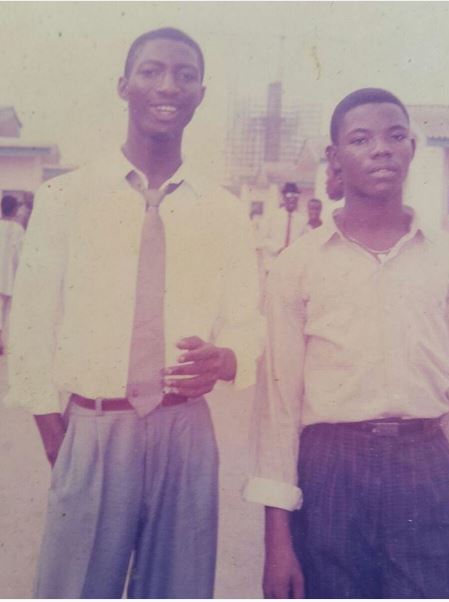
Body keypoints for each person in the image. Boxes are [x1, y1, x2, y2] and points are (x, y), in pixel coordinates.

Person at [7, 27, 261, 599]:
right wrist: (60, 436)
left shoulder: (222, 211)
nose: (168, 85)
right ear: (123, 86)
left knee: (180, 590)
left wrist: (226, 358)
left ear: (200, 93)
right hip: (95, 426)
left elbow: (246, 322)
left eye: (185, 75)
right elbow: (30, 329)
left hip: (186, 430)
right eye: (151, 71)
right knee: (73, 589)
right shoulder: (65, 199)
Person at [244, 88, 449, 599]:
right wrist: (277, 541)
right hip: (330, 468)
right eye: (361, 139)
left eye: (396, 136)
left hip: (423, 465)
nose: (381, 149)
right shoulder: (298, 265)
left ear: (412, 148)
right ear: (334, 157)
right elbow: (279, 409)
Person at [261, 182, 306, 272]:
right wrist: (279, 249)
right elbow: (263, 239)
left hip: (293, 266)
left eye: (295, 196)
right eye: (289, 196)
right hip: (273, 263)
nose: (292, 199)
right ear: (284, 197)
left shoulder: (302, 220)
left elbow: (304, 241)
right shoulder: (272, 217)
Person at [0, 195, 25, 355]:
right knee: (5, 311)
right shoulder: (18, 230)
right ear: (15, 209)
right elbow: (20, 256)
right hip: (7, 277)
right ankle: (2, 342)